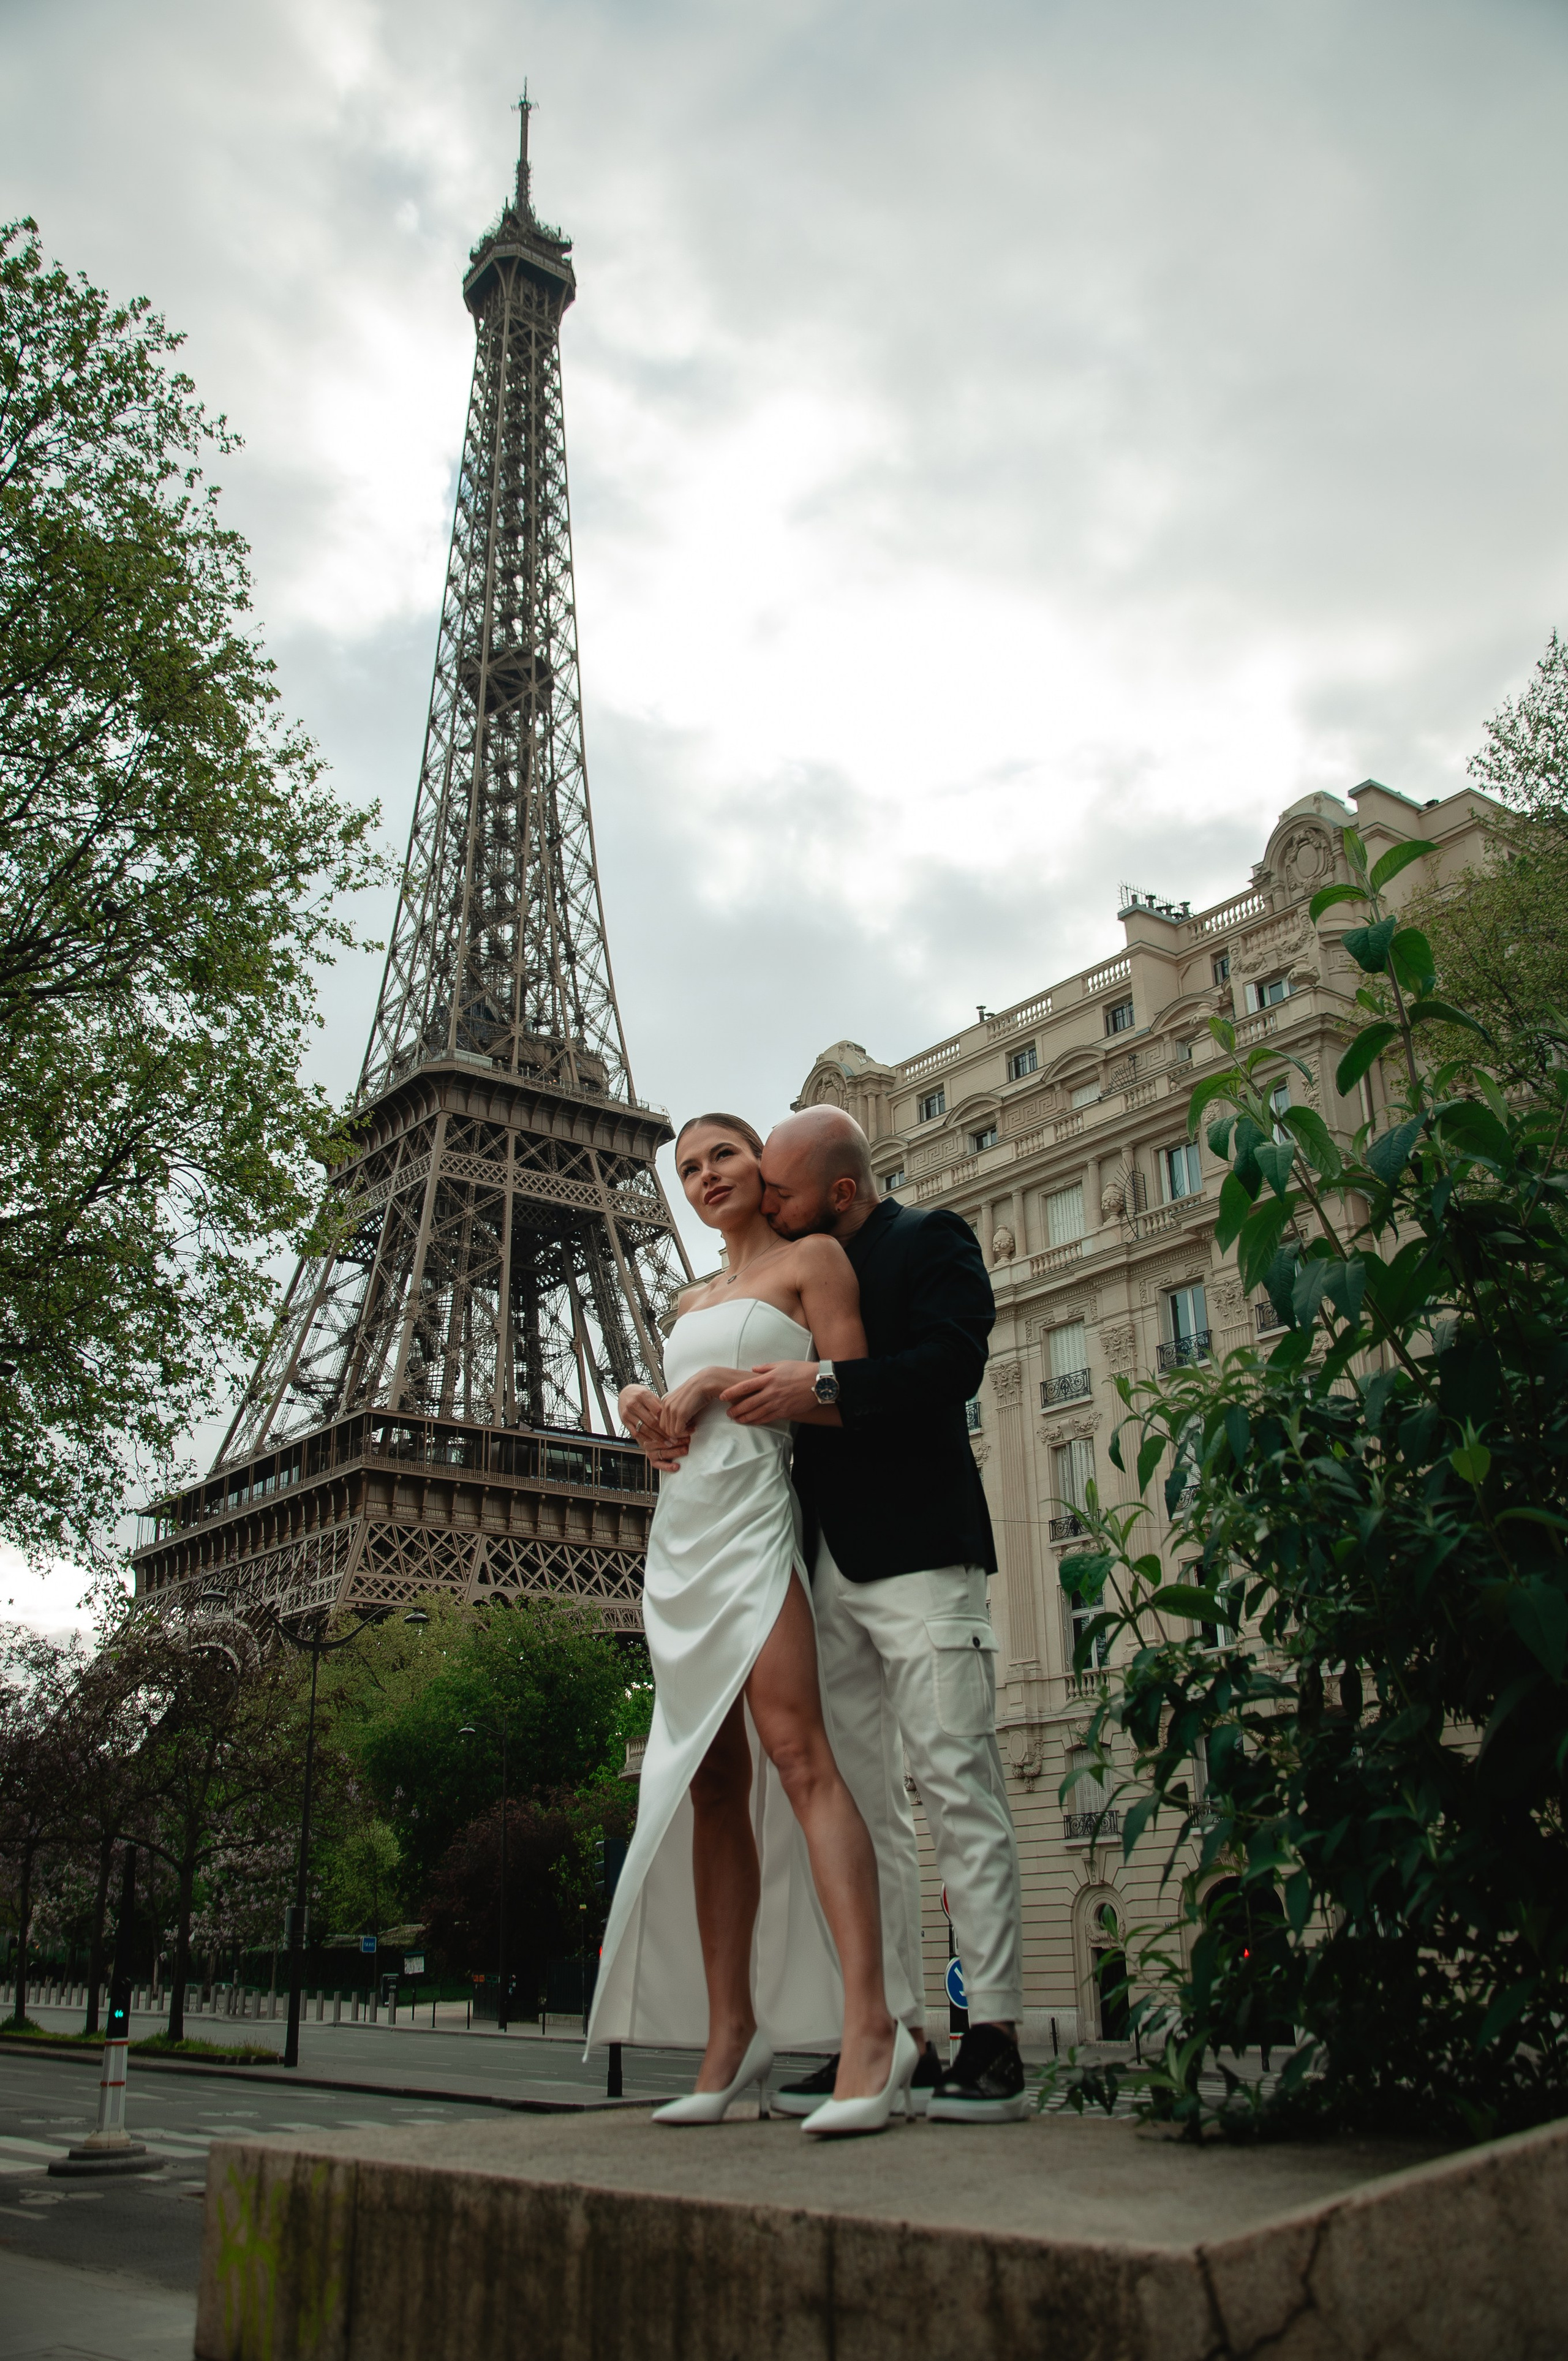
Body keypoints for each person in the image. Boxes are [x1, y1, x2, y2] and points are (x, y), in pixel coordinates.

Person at [586, 1112, 919, 2135]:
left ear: (761, 1167)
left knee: (799, 1756)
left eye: (723, 1154)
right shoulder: (689, 1299)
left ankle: (873, 2028)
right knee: (711, 1784)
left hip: (755, 1530)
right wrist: (644, 1400)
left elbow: (851, 1398)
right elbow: (678, 1419)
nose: (704, 1176)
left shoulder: (814, 1263)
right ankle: (730, 2036)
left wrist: (727, 1386)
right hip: (682, 1541)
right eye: (688, 1168)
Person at [718, 1104, 1030, 2124]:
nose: (768, 1203)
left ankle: (995, 2033)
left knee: (957, 1784)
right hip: (825, 1567)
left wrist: (819, 1381)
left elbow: (952, 1364)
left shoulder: (930, 1240)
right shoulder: (793, 1268)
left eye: (783, 1191)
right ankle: (890, 2033)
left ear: (843, 1192)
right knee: (861, 1809)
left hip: (924, 1556)